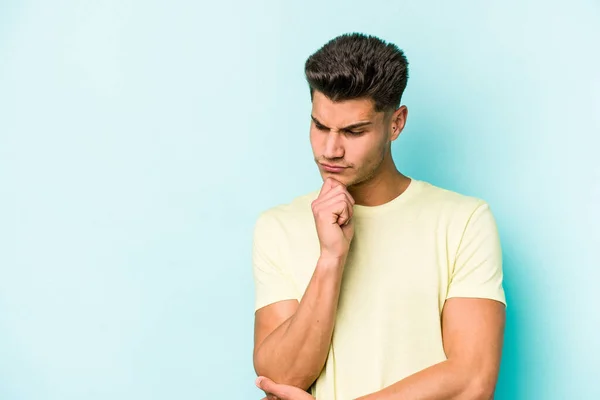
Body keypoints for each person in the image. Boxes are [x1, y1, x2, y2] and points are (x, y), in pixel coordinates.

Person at [251, 32, 506, 400]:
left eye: (354, 131)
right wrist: (331, 257)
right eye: (320, 126)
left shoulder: (464, 222)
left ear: (396, 123)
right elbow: (279, 377)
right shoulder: (277, 227)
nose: (330, 149)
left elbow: (471, 381)